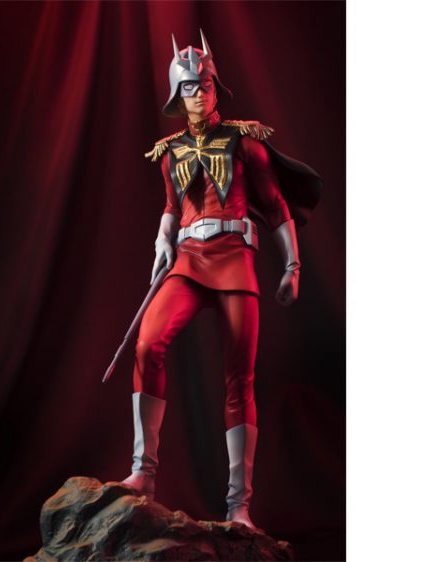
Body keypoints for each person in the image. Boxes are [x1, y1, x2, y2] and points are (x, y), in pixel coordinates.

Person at [120, 30, 322, 533]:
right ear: (177, 94)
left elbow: (275, 207)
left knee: (239, 377)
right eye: (188, 88)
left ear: (216, 86)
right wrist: (162, 241)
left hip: (234, 257)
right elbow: (171, 207)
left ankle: (239, 505)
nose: (198, 94)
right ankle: (144, 473)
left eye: (204, 85)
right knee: (147, 344)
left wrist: (293, 266)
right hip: (189, 258)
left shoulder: (244, 141)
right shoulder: (170, 151)